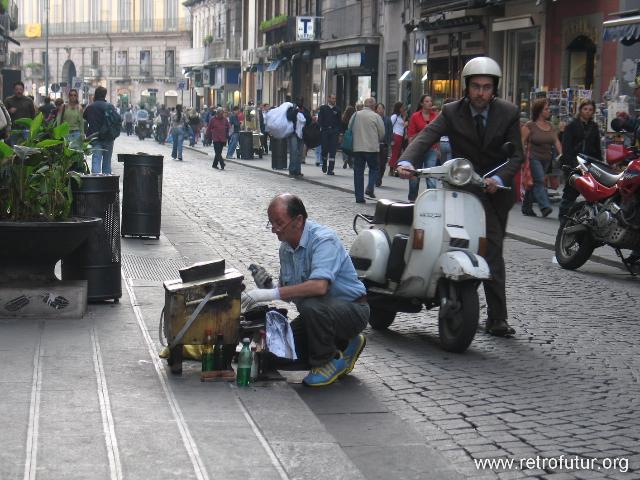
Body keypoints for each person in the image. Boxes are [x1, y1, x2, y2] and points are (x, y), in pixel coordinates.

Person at [396, 56, 523, 337]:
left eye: (487, 87)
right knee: (444, 236)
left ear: (495, 88)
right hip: (463, 189)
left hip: (495, 193)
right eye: (476, 86)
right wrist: (406, 162)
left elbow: (517, 156)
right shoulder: (452, 111)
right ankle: (449, 290)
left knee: (493, 250)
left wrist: (499, 178)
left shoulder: (509, 112)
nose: (481, 93)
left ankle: (497, 318)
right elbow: (427, 136)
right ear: (466, 87)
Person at [242, 193, 368, 387]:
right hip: (318, 314)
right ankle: (345, 345)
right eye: (271, 223)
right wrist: (267, 287)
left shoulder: (324, 240)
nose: (274, 229)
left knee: (311, 304)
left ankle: (327, 361)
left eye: (278, 222)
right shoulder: (285, 248)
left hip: (352, 310)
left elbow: (319, 287)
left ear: (298, 220)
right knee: (277, 355)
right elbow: (290, 292)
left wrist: (267, 295)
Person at [559, 99, 603, 219]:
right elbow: (566, 147)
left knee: (591, 190)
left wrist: (600, 163)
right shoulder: (571, 126)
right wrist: (570, 162)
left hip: (590, 163)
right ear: (580, 110)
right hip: (574, 162)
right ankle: (563, 214)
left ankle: (588, 215)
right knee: (571, 190)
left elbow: (597, 147)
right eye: (585, 109)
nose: (588, 112)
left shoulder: (594, 127)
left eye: (590, 110)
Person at [521, 99, 563, 217]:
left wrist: (561, 155)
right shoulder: (530, 125)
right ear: (539, 111)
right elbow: (522, 141)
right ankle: (545, 206)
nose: (549, 111)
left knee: (533, 183)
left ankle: (526, 207)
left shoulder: (550, 126)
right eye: (546, 109)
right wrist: (523, 156)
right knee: (539, 180)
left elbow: (556, 142)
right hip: (533, 157)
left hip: (547, 159)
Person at [350, 97, 385, 203]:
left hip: (358, 148)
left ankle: (359, 197)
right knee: (374, 168)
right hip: (372, 148)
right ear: (374, 106)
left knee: (358, 172)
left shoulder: (356, 114)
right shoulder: (376, 116)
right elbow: (382, 133)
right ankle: (370, 187)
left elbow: (349, 127)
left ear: (364, 105)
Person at [407, 95, 439, 200]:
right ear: (422, 103)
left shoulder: (435, 116)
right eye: (427, 101)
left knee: (431, 176)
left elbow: (439, 133)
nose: (429, 103)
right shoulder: (415, 116)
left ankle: (432, 202)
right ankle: (412, 200)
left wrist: (438, 148)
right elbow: (411, 136)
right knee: (414, 177)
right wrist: (422, 131)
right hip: (417, 149)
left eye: (430, 101)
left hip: (431, 149)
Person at [83, 86, 120, 174]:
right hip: (108, 137)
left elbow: (85, 119)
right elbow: (117, 119)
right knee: (107, 162)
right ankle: (106, 183)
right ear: (105, 95)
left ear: (96, 94)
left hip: (95, 138)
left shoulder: (90, 107)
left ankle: (96, 183)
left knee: (96, 160)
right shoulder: (110, 106)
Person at [318, 94, 341, 175]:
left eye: (335, 98)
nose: (334, 100)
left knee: (332, 151)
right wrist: (321, 129)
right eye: (332, 98)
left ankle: (330, 169)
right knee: (324, 149)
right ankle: (324, 162)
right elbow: (320, 120)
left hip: (334, 132)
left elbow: (339, 122)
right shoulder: (323, 108)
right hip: (325, 131)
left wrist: (338, 132)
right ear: (329, 99)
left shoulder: (337, 109)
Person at [375, 103, 393, 187]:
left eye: (381, 108)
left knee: (383, 164)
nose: (380, 110)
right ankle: (377, 179)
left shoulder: (387, 120)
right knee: (377, 163)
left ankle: (379, 177)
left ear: (384, 110)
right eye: (378, 108)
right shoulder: (373, 118)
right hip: (375, 144)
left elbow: (390, 132)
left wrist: (390, 142)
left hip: (384, 144)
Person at [388, 102, 407, 177]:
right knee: (395, 153)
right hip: (396, 136)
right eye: (402, 107)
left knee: (398, 153)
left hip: (400, 136)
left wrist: (404, 117)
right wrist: (391, 137)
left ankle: (395, 169)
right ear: (399, 108)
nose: (403, 109)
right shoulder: (395, 116)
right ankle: (391, 169)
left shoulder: (400, 117)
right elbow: (390, 126)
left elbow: (402, 126)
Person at [288, 103, 306, 178]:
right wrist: (295, 111)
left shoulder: (304, 111)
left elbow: (308, 119)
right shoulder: (291, 110)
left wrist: (302, 112)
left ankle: (298, 171)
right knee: (294, 151)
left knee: (300, 153)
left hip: (301, 134)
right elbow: (289, 117)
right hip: (293, 133)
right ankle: (292, 170)